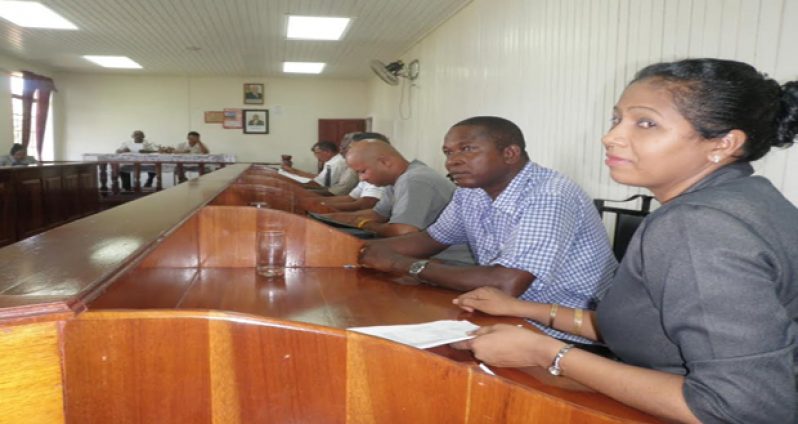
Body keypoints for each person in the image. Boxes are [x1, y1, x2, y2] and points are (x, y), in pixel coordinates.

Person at [453, 59, 798, 423]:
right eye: (617, 119)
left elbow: (737, 407)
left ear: (723, 144)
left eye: (645, 123)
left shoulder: (697, 225)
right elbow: (650, 330)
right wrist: (526, 311)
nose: (611, 137)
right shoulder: (746, 197)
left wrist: (548, 353)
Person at [358, 117, 616, 343]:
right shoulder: (471, 192)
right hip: (507, 315)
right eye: (448, 152)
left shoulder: (548, 195)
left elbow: (506, 284)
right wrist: (357, 250)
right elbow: (430, 239)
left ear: (510, 154)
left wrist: (403, 265)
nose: (452, 162)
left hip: (568, 332)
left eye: (467, 149)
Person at [322, 140, 456, 238]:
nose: (361, 179)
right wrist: (331, 218)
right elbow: (379, 214)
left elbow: (403, 231)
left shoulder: (414, 180)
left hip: (448, 261)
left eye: (362, 171)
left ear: (385, 162)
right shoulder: (395, 180)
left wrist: (363, 224)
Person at [317, 132, 390, 210]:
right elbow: (351, 198)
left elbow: (366, 204)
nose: (342, 151)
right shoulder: (365, 169)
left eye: (349, 149)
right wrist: (317, 203)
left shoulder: (379, 173)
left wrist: (318, 206)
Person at [281, 141, 348, 190]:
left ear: (328, 152)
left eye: (317, 153)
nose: (316, 156)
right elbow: (320, 178)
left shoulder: (335, 163)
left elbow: (320, 184)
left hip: (328, 192)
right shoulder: (335, 160)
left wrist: (291, 180)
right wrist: (294, 171)